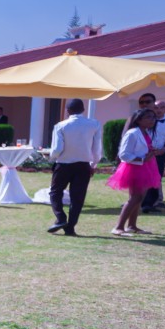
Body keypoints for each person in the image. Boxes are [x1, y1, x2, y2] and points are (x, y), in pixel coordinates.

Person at [47, 99, 102, 237]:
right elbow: (97, 149)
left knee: (55, 192)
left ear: (67, 110)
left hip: (64, 164)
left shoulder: (60, 125)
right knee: (77, 197)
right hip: (83, 165)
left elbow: (57, 148)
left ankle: (60, 218)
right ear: (83, 110)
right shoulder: (94, 124)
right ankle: (70, 227)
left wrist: (51, 158)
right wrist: (93, 164)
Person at [107, 108, 162, 236]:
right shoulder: (132, 133)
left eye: (153, 117)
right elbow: (124, 154)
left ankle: (132, 225)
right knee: (136, 197)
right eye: (148, 117)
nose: (152, 120)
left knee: (139, 198)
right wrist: (142, 158)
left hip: (146, 167)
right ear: (139, 120)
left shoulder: (145, 132)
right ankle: (119, 227)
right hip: (135, 168)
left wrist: (152, 151)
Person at [141, 100, 165, 213]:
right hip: (145, 153)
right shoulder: (146, 121)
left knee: (156, 178)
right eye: (156, 107)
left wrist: (163, 149)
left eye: (162, 107)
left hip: (160, 155)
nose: (159, 110)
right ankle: (141, 202)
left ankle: (151, 203)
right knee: (143, 178)